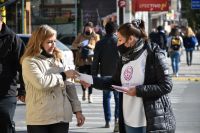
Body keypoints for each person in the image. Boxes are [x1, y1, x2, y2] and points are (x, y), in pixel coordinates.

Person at [80, 19, 176, 133]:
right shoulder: (124, 57)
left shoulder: (153, 54)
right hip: (128, 121)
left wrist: (138, 90)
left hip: (149, 121)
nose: (117, 43)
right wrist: (92, 80)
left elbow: (166, 85)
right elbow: (115, 82)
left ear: (130, 39)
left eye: (120, 39)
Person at [20, 25, 85, 133]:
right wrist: (64, 75)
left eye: (54, 41)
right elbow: (41, 83)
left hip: (61, 117)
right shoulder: (29, 61)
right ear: (39, 42)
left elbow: (69, 86)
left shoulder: (59, 58)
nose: (53, 45)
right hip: (40, 118)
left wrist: (78, 111)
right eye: (49, 42)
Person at [91, 21, 119, 132]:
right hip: (118, 75)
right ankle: (117, 120)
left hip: (104, 75)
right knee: (118, 99)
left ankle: (107, 121)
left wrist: (94, 76)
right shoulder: (119, 42)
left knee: (106, 98)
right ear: (116, 31)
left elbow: (95, 61)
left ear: (105, 30)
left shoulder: (100, 43)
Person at [0, 14, 25, 133]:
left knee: (5, 121)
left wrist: (23, 90)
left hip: (7, 91)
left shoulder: (13, 39)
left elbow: (23, 66)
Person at [72, 22, 100, 103]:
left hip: (91, 60)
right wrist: (79, 45)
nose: (87, 29)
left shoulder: (95, 36)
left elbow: (98, 46)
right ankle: (84, 91)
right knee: (83, 77)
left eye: (89, 28)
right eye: (86, 28)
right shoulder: (80, 35)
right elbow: (73, 44)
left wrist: (90, 46)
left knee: (90, 78)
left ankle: (90, 95)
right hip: (81, 60)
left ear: (92, 28)